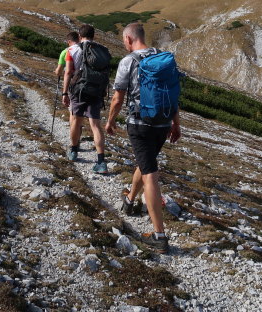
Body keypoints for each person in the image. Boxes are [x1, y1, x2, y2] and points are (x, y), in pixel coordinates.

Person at [105, 22, 181, 252]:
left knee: (150, 174)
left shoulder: (128, 61)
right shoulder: (164, 58)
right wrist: (176, 124)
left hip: (140, 124)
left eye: (123, 40)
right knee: (145, 161)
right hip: (163, 122)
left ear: (128, 39)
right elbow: (173, 93)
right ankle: (129, 202)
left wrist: (109, 121)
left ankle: (159, 236)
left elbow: (118, 98)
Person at [62, 24, 108, 173]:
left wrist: (64, 93)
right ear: (94, 36)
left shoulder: (72, 50)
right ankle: (101, 161)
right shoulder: (101, 50)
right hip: (96, 91)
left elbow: (68, 72)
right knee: (95, 125)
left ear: (80, 36)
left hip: (78, 91)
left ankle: (74, 151)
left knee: (76, 120)